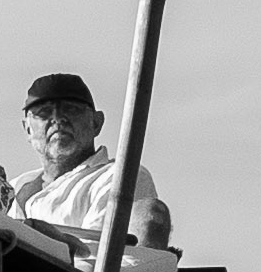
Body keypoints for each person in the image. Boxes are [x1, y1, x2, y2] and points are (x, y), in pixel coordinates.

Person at [11, 72, 171, 256]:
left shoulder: (119, 178)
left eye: (71, 109)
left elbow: (93, 261)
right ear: (27, 130)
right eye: (44, 113)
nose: (58, 119)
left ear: (96, 123)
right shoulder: (12, 188)